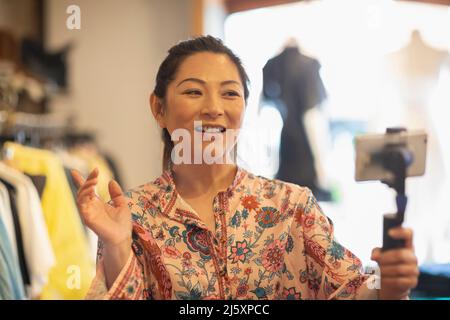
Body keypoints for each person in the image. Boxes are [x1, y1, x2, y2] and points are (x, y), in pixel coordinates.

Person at [71, 35, 418, 300]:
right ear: (159, 108)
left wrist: (387, 286)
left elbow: (349, 289)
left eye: (230, 94)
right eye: (193, 92)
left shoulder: (291, 207)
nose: (213, 108)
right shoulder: (130, 216)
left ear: (245, 108)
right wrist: (117, 247)